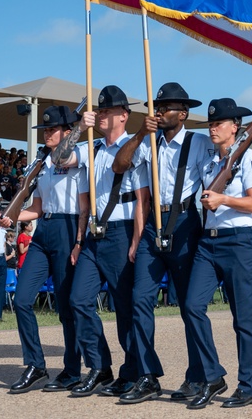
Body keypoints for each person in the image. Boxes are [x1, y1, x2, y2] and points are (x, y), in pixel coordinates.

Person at [113, 82, 214, 405]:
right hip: (153, 227)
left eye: (166, 107)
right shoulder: (149, 142)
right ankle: (147, 375)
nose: (158, 112)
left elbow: (214, 176)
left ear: (183, 114)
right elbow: (119, 165)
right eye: (157, 107)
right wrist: (141, 133)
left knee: (188, 305)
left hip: (185, 222)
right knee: (140, 297)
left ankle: (197, 375)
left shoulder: (198, 143)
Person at [181, 97, 252, 409]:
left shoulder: (251, 159)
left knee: (243, 318)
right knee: (191, 306)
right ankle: (213, 374)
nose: (212, 128)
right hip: (208, 242)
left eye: (218, 124)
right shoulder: (209, 163)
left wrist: (223, 200)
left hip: (238, 241)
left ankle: (247, 386)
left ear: (235, 127)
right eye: (211, 123)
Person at [69, 85, 148, 398]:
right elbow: (61, 159)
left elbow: (143, 198)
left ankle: (132, 373)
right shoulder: (92, 146)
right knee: (79, 299)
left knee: (124, 307)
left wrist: (137, 240)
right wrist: (79, 127)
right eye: (98, 110)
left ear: (123, 115)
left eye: (106, 110)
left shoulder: (136, 146)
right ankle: (100, 366)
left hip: (122, 230)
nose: (100, 115)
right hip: (94, 234)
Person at [8, 104, 88, 394]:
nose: (46, 134)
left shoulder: (79, 159)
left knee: (66, 309)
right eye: (45, 130)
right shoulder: (41, 164)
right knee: (22, 300)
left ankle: (72, 369)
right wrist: (13, 216)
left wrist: (79, 241)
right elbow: (38, 208)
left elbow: (84, 207)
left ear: (67, 132)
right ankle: (35, 365)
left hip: (69, 230)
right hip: (44, 233)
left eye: (52, 129)